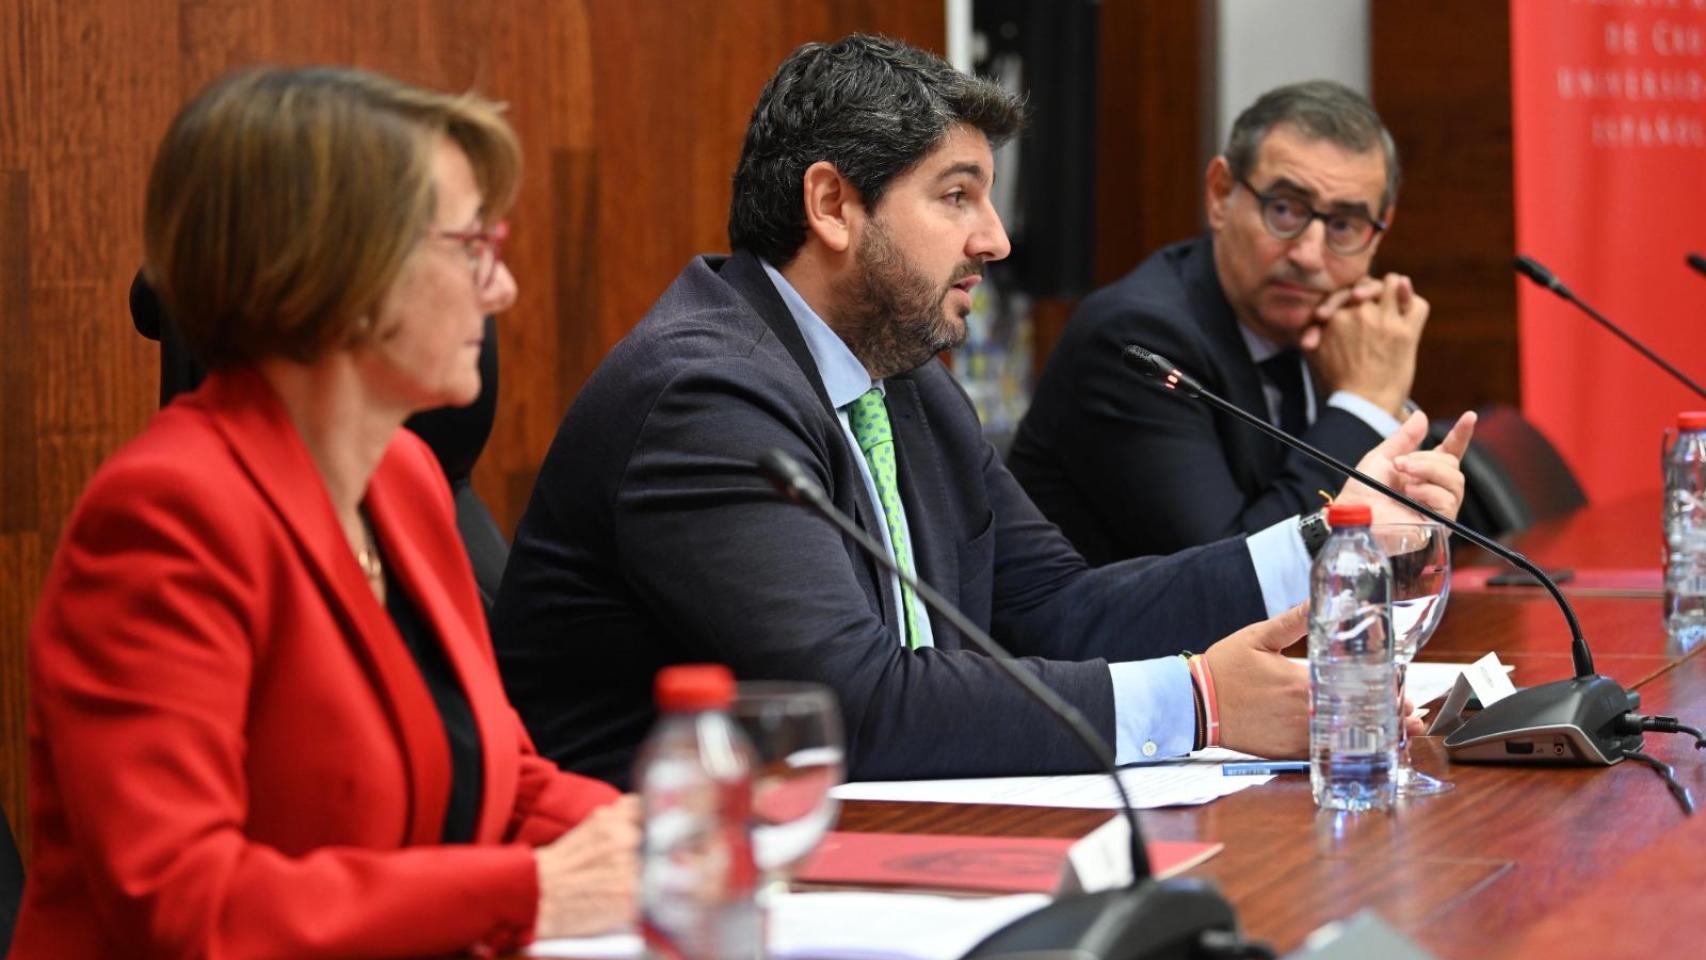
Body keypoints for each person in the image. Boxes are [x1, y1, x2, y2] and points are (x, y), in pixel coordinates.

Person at [492, 36, 1463, 788]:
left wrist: (1331, 538)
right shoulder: (707, 395)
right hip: (669, 886)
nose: (993, 240)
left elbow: (1054, 612)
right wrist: (1201, 700)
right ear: (832, 206)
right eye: (956, 196)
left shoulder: (898, 376)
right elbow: (854, 705)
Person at [13, 66, 637, 959]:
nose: (500, 289)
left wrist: (664, 839)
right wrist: (528, 893)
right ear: (343, 273)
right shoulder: (165, 517)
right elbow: (186, 904)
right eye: (473, 245)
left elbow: (503, 781)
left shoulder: (407, 478)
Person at [1008, 81, 1459, 565]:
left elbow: (1402, 548)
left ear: (1378, 233)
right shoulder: (1137, 339)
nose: (1309, 255)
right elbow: (1233, 572)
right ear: (1221, 193)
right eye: (1284, 209)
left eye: (1343, 226)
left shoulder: (1337, 333)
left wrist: (1415, 508)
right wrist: (1363, 404)